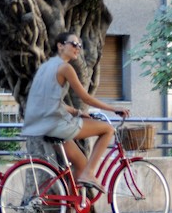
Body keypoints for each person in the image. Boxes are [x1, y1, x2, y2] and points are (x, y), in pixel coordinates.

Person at [21, 32, 130, 193]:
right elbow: (86, 97)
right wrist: (114, 108)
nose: (77, 48)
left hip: (46, 125)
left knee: (80, 163)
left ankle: (71, 212)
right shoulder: (65, 68)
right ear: (60, 46)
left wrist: (77, 112)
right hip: (57, 124)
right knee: (108, 129)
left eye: (79, 45)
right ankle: (90, 174)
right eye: (73, 44)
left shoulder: (47, 67)